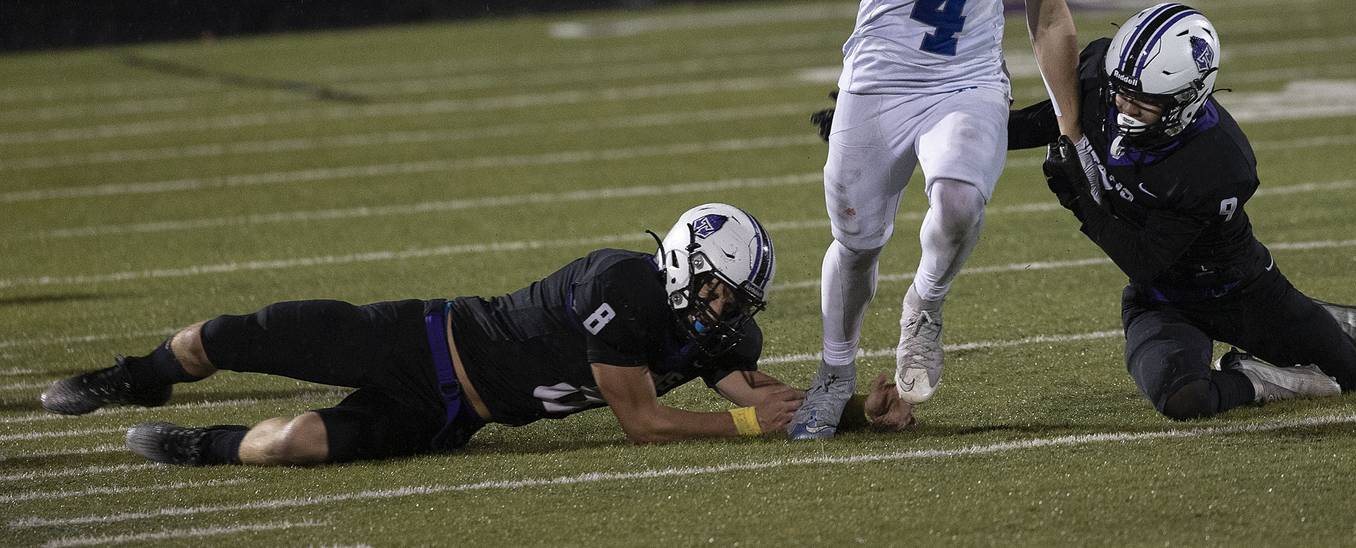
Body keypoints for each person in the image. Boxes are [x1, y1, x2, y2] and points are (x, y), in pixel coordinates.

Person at [753, 0, 1089, 438]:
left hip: (968, 78)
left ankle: (925, 305)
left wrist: (1072, 128)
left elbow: (1049, 14)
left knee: (960, 201)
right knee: (856, 242)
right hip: (878, 76)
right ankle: (834, 373)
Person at [40, 203, 913, 466]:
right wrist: (745, 424)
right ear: (686, 266)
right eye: (721, 293)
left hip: (454, 415)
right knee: (227, 337)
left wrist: (853, 412)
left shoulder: (716, 335)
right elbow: (644, 423)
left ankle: (196, 446)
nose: (727, 313)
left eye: (738, 301)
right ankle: (134, 375)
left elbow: (769, 400)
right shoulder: (621, 287)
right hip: (422, 341)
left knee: (293, 444)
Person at [1017, 3, 1356, 419]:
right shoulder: (1109, 79)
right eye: (1120, 94)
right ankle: (1256, 380)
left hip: (1242, 291)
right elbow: (1057, 114)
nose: (1123, 109)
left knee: (1355, 380)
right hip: (1162, 302)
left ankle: (1311, 316)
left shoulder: (1216, 160)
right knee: (1184, 399)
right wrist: (979, 128)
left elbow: (1145, 260)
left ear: (1186, 100)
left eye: (1142, 103)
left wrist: (1080, 201)